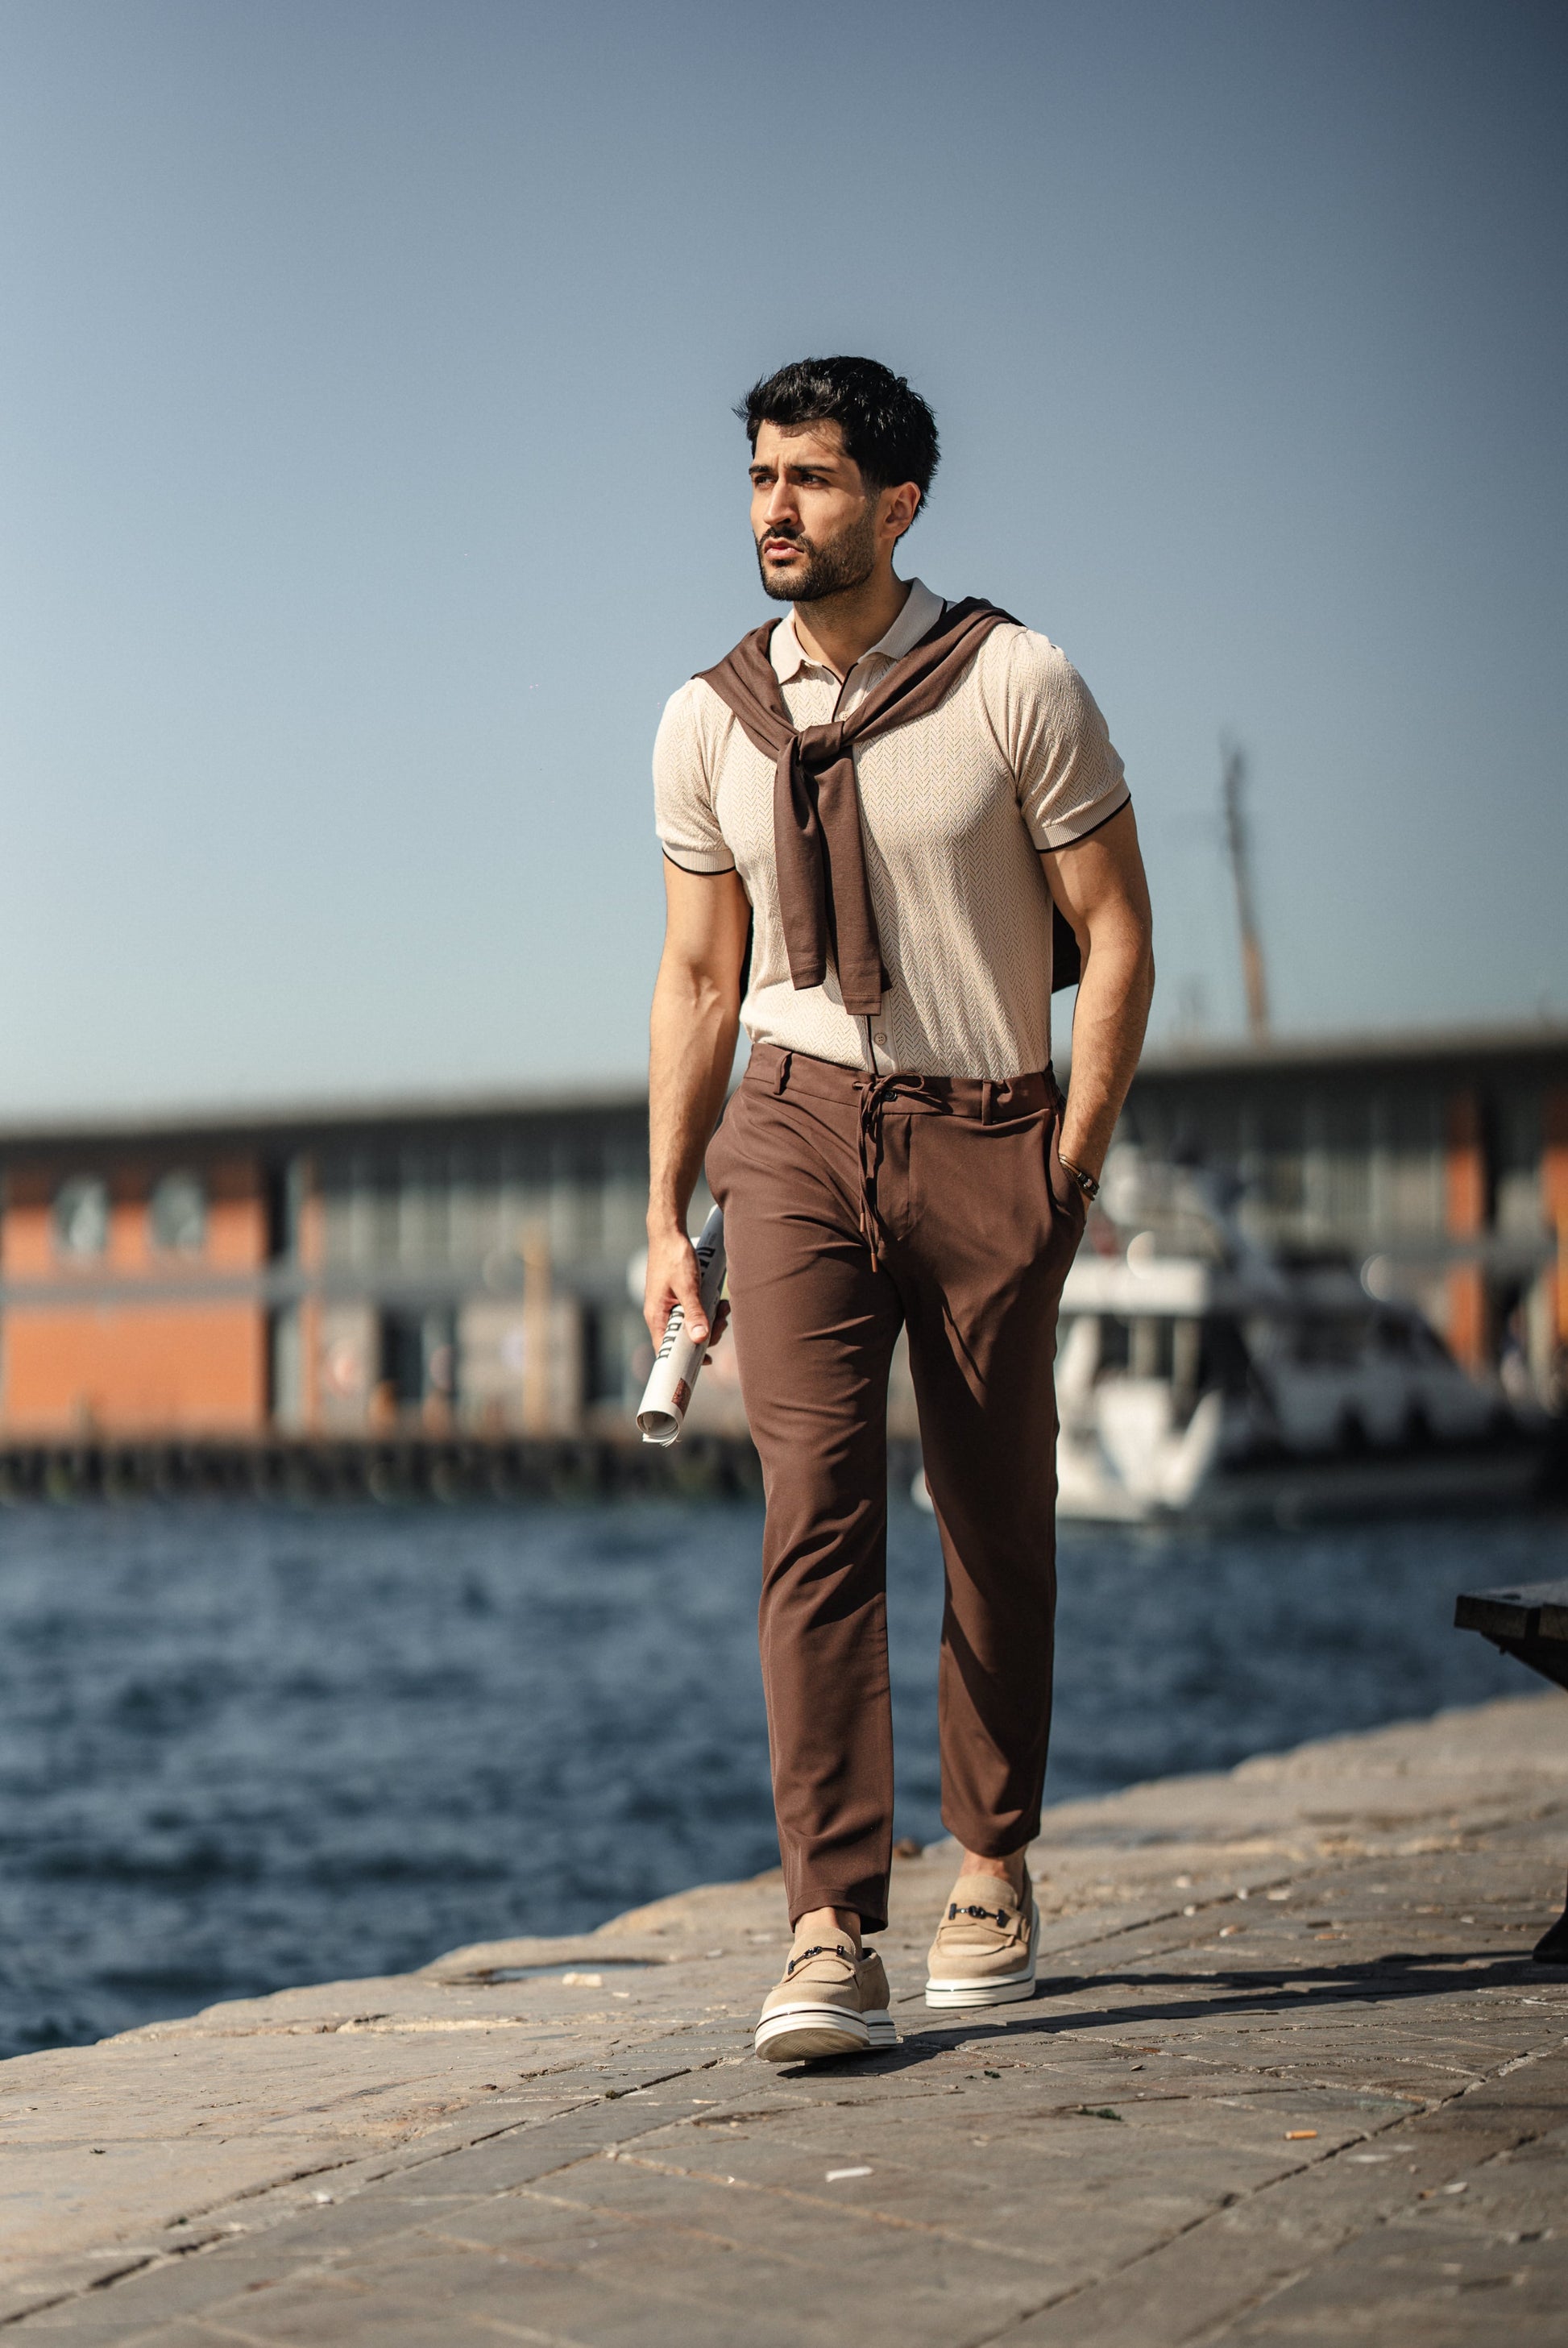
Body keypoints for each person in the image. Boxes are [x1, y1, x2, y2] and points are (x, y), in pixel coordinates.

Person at [645, 356, 1154, 2064]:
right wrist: (664, 1205)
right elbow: (701, 977)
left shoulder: (1016, 682)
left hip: (988, 1125)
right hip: (789, 1131)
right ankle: (825, 1920)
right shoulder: (708, 717)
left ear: (897, 504)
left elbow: (1120, 937)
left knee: (997, 1512)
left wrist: (1066, 1169)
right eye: (760, 479)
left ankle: (992, 1862)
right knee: (812, 1507)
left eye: (809, 479)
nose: (774, 508)